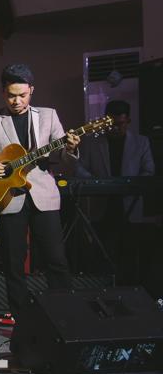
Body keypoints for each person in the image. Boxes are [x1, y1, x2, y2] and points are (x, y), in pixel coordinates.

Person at [0, 63, 79, 323]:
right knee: (13, 263)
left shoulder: (49, 116)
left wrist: (70, 148)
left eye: (23, 95)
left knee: (56, 259)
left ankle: (66, 317)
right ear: (3, 92)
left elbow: (63, 157)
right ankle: (22, 321)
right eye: (11, 95)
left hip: (43, 196)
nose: (17, 101)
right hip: (8, 198)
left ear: (31, 90)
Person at [77, 100, 155, 282]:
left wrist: (131, 185)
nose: (115, 128)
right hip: (101, 206)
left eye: (120, 124)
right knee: (101, 253)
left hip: (130, 205)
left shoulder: (141, 142)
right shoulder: (92, 143)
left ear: (128, 121)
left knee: (129, 254)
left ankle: (130, 288)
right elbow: (79, 167)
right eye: (111, 124)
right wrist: (96, 183)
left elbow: (149, 171)